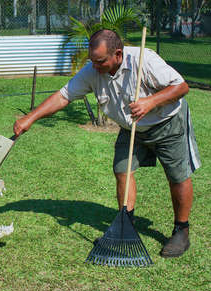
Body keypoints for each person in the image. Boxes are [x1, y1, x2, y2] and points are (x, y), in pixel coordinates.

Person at [13, 29, 200, 258]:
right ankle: (124, 226)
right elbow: (64, 96)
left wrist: (150, 101)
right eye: (92, 60)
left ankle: (181, 230)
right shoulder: (93, 70)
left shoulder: (145, 60)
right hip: (131, 128)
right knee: (122, 170)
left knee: (177, 176)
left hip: (167, 123)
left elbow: (181, 87)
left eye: (100, 61)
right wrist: (30, 118)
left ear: (118, 54)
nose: (95, 66)